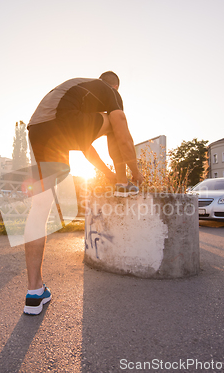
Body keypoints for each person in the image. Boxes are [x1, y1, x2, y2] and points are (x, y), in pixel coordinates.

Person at [23, 71, 143, 315]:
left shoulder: (80, 95)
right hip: (61, 122)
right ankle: (124, 182)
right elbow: (120, 126)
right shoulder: (109, 91)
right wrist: (135, 171)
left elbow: (86, 148)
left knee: (40, 207)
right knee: (115, 123)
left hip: (37, 128)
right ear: (115, 87)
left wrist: (106, 174)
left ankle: (34, 293)